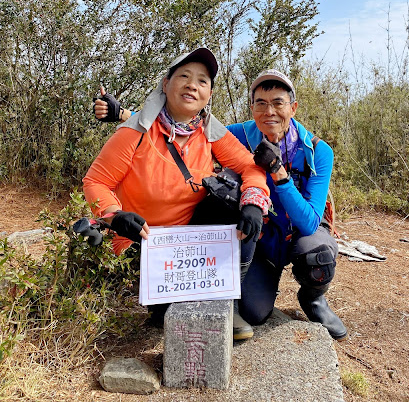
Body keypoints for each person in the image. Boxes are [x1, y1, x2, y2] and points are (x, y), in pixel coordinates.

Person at [94, 68, 347, 341]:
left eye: (278, 103)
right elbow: (179, 125)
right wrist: (123, 115)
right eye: (260, 103)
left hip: (300, 234)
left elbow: (309, 222)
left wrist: (279, 174)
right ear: (251, 108)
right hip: (261, 237)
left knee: (316, 255)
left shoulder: (317, 151)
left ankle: (314, 300)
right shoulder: (238, 135)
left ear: (293, 107)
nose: (269, 111)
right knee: (255, 312)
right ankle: (241, 289)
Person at [84, 47, 270, 341]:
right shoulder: (135, 131)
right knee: (166, 314)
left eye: (202, 81)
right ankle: (166, 302)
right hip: (142, 243)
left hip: (188, 247)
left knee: (234, 204)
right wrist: (114, 215)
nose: (192, 85)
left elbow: (251, 167)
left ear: (208, 94)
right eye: (183, 76)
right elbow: (96, 182)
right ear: (165, 84)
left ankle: (226, 303)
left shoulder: (211, 132)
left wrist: (254, 202)